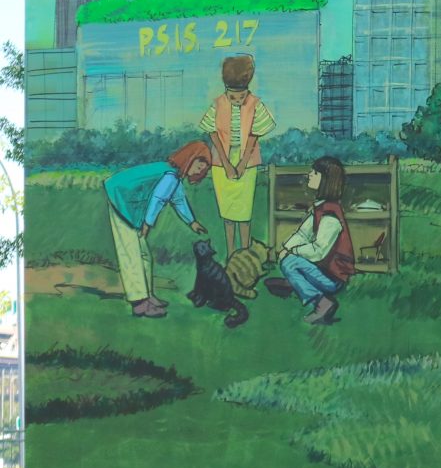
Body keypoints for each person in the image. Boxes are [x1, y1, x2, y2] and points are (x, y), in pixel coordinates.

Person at [104, 141, 211, 318]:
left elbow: (178, 199)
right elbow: (158, 199)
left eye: (203, 169)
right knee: (131, 254)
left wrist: (192, 222)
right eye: (199, 165)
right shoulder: (170, 175)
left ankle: (147, 294)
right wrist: (147, 224)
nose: (200, 171)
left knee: (144, 255)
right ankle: (139, 303)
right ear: (189, 158)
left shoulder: (174, 176)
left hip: (129, 204)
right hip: (120, 200)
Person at [199, 54, 275, 257]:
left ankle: (244, 252)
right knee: (228, 211)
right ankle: (232, 253)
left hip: (247, 161)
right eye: (233, 97)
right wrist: (226, 163)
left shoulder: (255, 104)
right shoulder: (217, 104)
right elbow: (213, 134)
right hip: (221, 161)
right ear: (226, 91)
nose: (238, 101)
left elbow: (253, 137)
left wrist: (241, 164)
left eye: (242, 97)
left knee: (244, 210)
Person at [264, 157, 355, 326]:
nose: (309, 175)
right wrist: (286, 248)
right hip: (323, 271)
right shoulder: (320, 208)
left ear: (326, 180)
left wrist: (293, 252)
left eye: (315, 173)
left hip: (334, 278)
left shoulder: (330, 216)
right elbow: (302, 234)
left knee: (290, 263)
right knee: (288, 259)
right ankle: (296, 283)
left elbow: (318, 251)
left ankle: (321, 302)